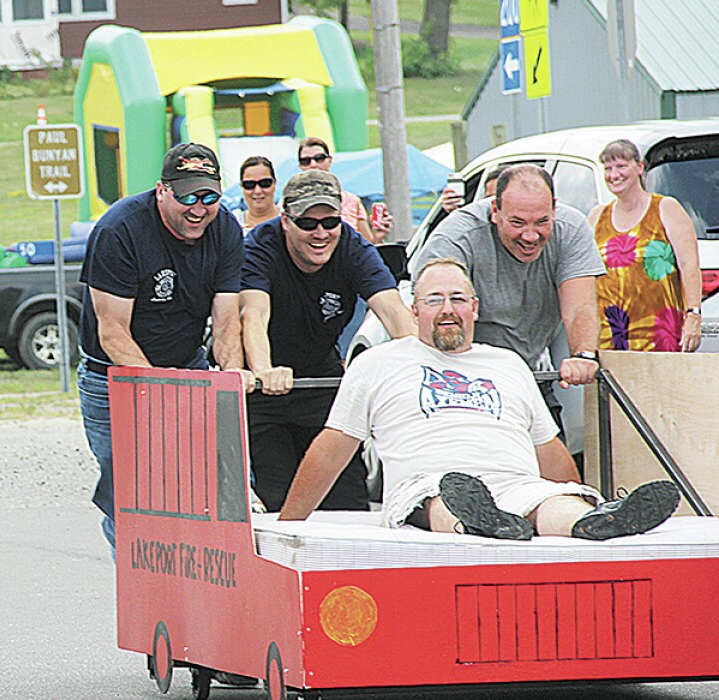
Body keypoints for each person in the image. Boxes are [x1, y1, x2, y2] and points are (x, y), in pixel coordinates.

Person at [278, 259, 679, 541]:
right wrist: (287, 524)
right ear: (414, 309)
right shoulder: (378, 363)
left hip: (514, 483)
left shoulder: (508, 363)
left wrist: (574, 491)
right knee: (444, 498)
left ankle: (594, 522)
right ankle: (477, 526)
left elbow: (549, 451)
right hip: (428, 485)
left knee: (549, 503)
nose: (446, 309)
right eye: (434, 299)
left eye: (457, 299)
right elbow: (332, 448)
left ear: (474, 308)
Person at [78, 142, 253, 549]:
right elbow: (113, 331)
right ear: (162, 191)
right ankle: (140, 592)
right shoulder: (119, 230)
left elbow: (227, 319)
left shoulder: (224, 229)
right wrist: (159, 394)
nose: (198, 209)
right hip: (113, 377)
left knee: (205, 481)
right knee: (132, 495)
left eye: (209, 197)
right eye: (187, 196)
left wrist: (228, 378)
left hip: (186, 364)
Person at [240, 171, 417, 512]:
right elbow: (253, 314)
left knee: (348, 501)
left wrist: (420, 366)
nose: (320, 233)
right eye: (307, 224)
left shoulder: (352, 246)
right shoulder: (259, 246)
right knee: (280, 498)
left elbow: (393, 311)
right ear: (285, 221)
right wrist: (264, 370)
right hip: (266, 386)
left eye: (330, 222)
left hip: (320, 378)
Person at [414, 164, 605, 436]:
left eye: (541, 222)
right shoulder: (457, 235)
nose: (530, 236)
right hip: (461, 380)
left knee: (555, 473)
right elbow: (436, 310)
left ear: (554, 208)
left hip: (530, 375)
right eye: (517, 223)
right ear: (495, 211)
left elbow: (580, 308)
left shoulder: (571, 228)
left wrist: (584, 355)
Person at [587, 139, 703, 352]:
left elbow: (689, 265)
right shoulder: (597, 217)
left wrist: (693, 315)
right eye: (608, 169)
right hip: (610, 336)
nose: (614, 175)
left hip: (659, 334)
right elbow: (584, 276)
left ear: (639, 167)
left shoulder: (665, 208)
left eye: (621, 166)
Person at [296, 137, 390, 243]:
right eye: (305, 161)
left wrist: (377, 236)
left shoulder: (352, 201)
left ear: (330, 160)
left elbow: (368, 245)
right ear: (300, 166)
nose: (313, 164)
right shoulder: (290, 202)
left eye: (319, 158)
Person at [238, 155, 280, 229]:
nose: (258, 191)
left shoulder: (291, 221)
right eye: (249, 184)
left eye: (265, 183)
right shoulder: (233, 224)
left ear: (275, 183)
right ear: (241, 186)